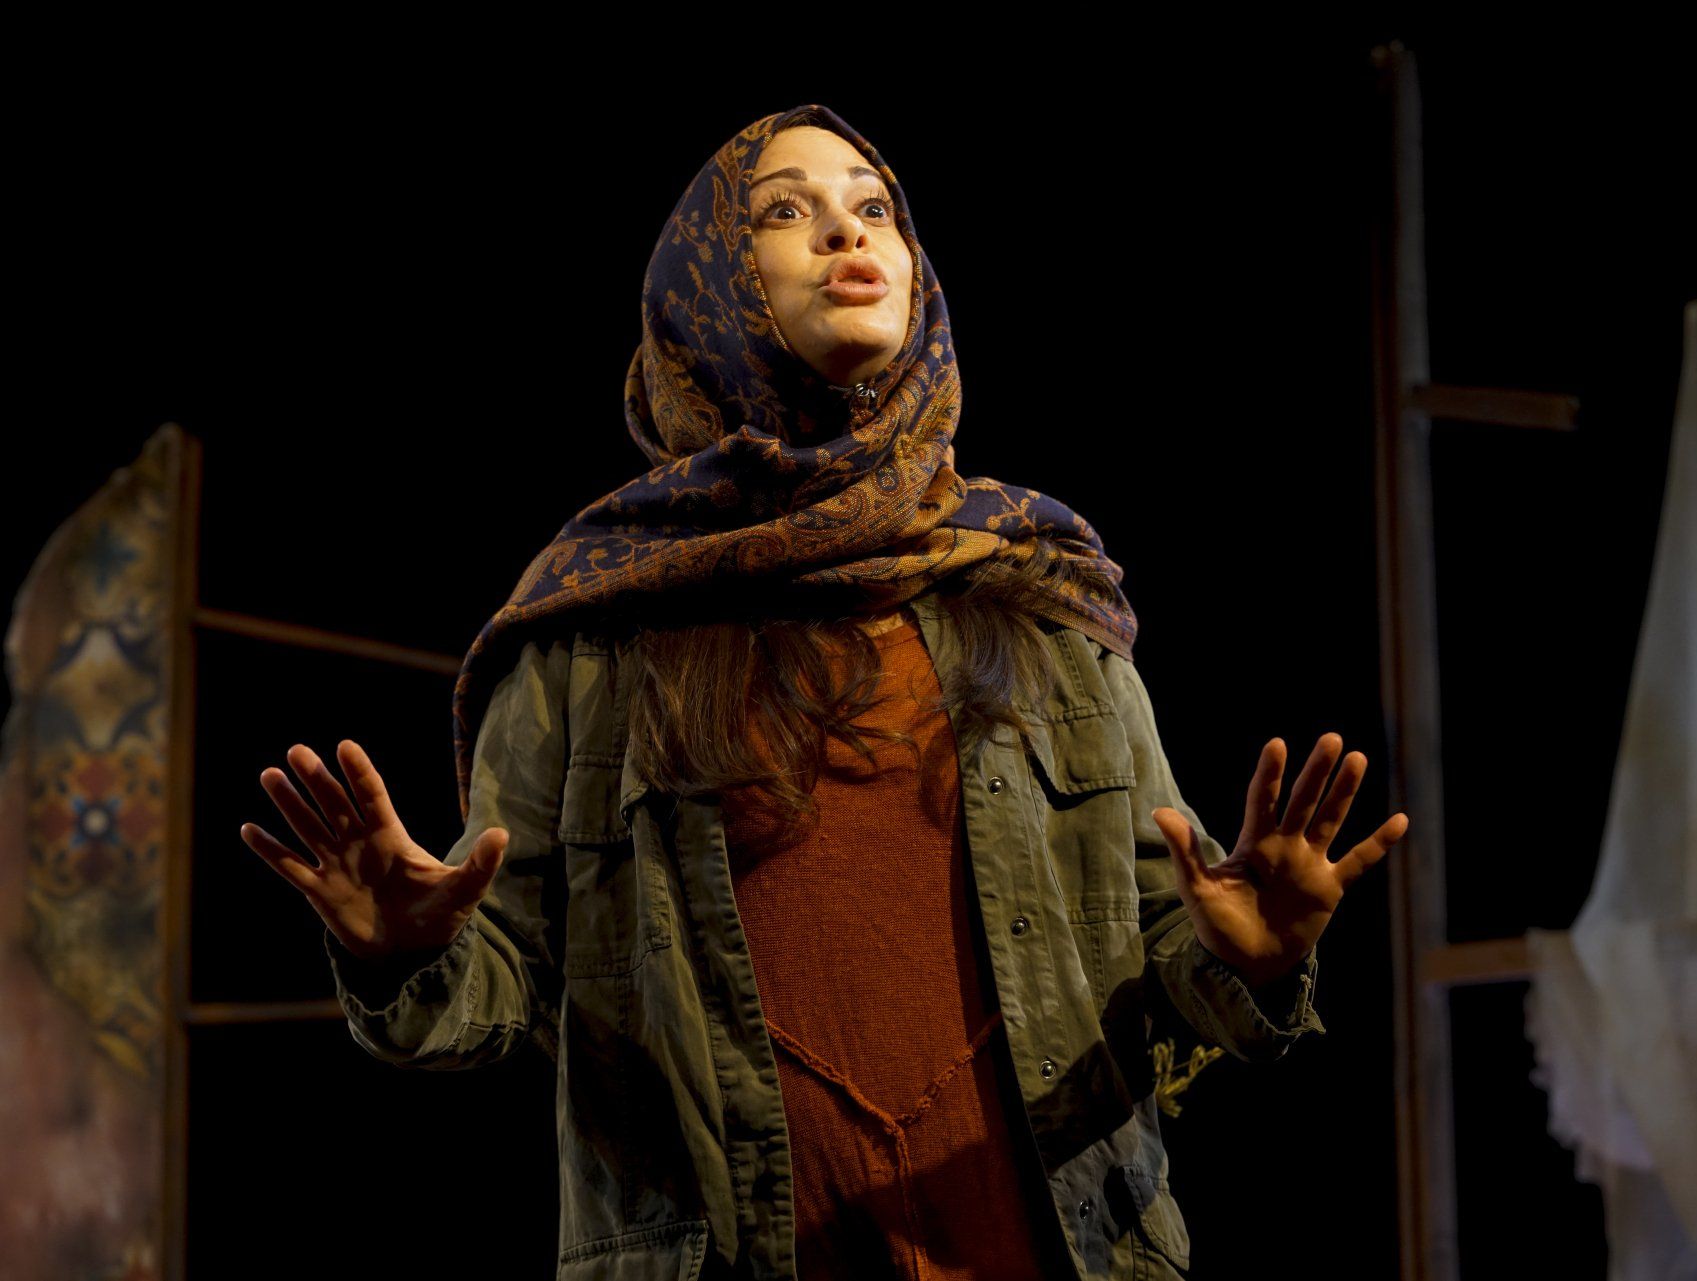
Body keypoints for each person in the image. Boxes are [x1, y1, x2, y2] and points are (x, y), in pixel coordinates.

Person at [239, 104, 1410, 1281]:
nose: (846, 235)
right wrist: (399, 959)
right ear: (706, 289)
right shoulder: (594, 634)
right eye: (785, 213)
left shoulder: (1040, 600)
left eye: (874, 208)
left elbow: (1169, 962)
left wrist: (1254, 962)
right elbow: (499, 991)